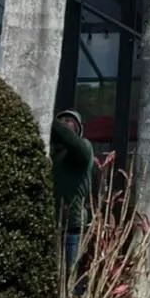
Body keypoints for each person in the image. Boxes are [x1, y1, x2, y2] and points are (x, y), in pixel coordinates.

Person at [51, 109, 94, 283]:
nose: (66, 123)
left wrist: (53, 122)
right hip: (52, 226)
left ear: (78, 128)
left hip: (72, 227)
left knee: (70, 277)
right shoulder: (53, 154)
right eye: (63, 120)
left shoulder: (82, 148)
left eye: (70, 121)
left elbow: (72, 142)